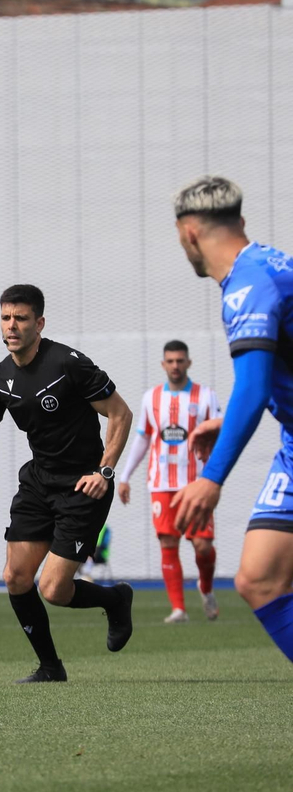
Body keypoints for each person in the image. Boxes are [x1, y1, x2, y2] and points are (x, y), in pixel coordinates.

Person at [0, 284, 135, 683]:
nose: (12, 326)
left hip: (83, 485)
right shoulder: (0, 377)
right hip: (39, 482)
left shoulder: (69, 363)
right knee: (16, 577)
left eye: (21, 318)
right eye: (6, 318)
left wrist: (105, 471)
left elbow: (121, 414)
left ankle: (115, 599)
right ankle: (50, 667)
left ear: (39, 323)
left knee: (55, 590)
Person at [172, 176, 293, 666]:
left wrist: (211, 478)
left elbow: (253, 386)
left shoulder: (247, 286)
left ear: (188, 235)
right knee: (258, 578)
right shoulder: (267, 264)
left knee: (261, 577)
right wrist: (228, 423)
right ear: (239, 223)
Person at [115, 340, 221, 623]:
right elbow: (143, 437)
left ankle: (206, 588)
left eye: (180, 360)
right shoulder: (152, 398)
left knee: (202, 546)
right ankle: (178, 609)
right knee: (168, 542)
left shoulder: (206, 397)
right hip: (161, 482)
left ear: (188, 363)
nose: (175, 366)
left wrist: (217, 474)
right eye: (170, 361)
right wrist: (124, 476)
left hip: (197, 481)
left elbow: (221, 435)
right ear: (163, 364)